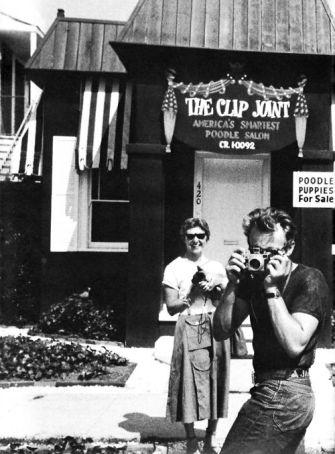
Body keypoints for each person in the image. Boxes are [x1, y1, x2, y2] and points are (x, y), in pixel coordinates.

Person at [213, 207, 328, 454]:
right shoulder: (251, 279)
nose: (262, 258)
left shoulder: (309, 279)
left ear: (289, 248)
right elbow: (221, 331)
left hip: (285, 390)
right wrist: (232, 284)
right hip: (272, 389)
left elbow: (294, 343)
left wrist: (272, 288)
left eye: (271, 252)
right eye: (256, 251)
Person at [163, 217, 230, 454]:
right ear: (184, 238)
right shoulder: (174, 267)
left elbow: (225, 303)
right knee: (187, 381)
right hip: (188, 323)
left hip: (213, 324)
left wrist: (216, 289)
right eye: (190, 235)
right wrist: (190, 292)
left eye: (200, 236)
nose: (195, 240)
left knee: (215, 378)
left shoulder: (217, 267)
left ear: (206, 238)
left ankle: (210, 438)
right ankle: (191, 438)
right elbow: (171, 307)